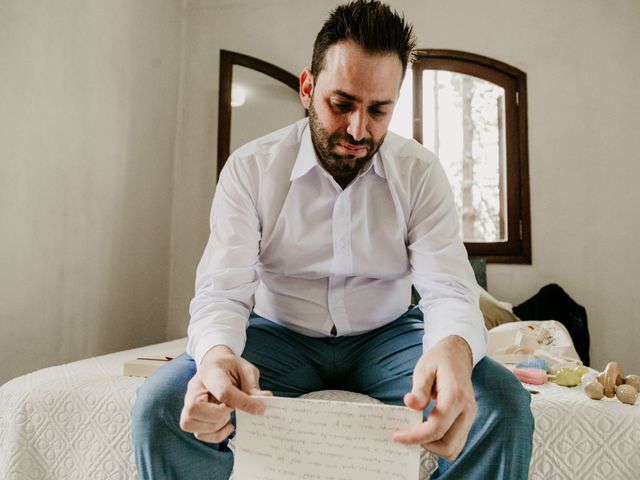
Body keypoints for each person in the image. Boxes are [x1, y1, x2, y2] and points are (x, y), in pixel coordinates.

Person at [131, 1, 534, 478]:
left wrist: (454, 347)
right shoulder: (250, 168)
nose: (358, 130)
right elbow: (222, 290)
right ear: (307, 88)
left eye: (378, 110)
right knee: (158, 406)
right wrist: (217, 354)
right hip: (277, 335)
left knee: (502, 405)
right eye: (341, 104)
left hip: (389, 335)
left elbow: (448, 288)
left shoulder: (421, 173)